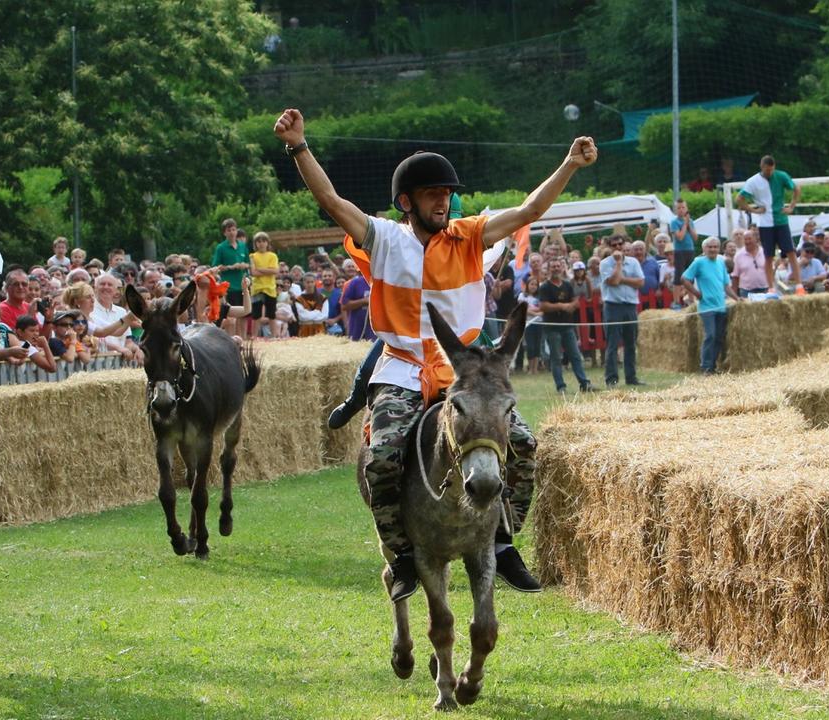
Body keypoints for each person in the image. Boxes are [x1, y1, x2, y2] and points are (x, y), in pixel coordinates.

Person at [275, 107, 598, 600]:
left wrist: (569, 165)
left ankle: (504, 541)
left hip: (464, 370)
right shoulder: (381, 237)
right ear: (406, 201)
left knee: (526, 446)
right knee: (381, 458)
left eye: (447, 193)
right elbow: (329, 199)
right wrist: (298, 145)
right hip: (402, 368)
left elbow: (530, 211)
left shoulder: (470, 235)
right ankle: (403, 556)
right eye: (433, 194)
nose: (443, 201)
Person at [737, 155, 802, 292]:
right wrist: (752, 210)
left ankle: (799, 285)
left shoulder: (781, 176)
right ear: (762, 167)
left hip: (781, 220)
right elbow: (740, 198)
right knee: (768, 255)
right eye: (767, 170)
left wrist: (792, 206)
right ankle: (771, 287)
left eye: (771, 170)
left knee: (790, 252)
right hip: (765, 223)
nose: (770, 173)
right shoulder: (753, 181)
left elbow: (796, 188)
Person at [680, 237, 739, 374]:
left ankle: (713, 366)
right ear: (704, 249)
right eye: (710, 247)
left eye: (715, 247)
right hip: (707, 307)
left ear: (719, 249)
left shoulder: (721, 262)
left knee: (719, 337)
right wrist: (696, 293)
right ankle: (705, 366)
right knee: (710, 335)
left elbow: (726, 286)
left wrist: (737, 298)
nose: (712, 249)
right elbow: (684, 279)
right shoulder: (698, 262)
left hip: (721, 306)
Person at [538, 258, 592, 394]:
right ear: (549, 269)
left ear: (562, 268)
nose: (556, 268)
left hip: (568, 326)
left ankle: (584, 383)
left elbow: (575, 301)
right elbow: (543, 305)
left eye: (558, 266)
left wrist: (571, 306)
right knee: (556, 358)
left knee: (575, 355)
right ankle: (561, 386)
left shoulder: (568, 285)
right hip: (552, 327)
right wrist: (562, 306)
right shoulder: (545, 287)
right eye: (553, 266)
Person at [599, 235, 645, 386]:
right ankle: (611, 378)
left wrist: (623, 279)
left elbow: (640, 282)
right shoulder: (605, 263)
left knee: (630, 343)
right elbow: (612, 281)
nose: (618, 247)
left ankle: (631, 377)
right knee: (612, 344)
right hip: (613, 306)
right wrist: (618, 263)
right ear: (610, 247)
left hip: (630, 306)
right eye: (614, 245)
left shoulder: (633, 262)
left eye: (620, 244)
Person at [211, 218, 250, 311]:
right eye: (229, 230)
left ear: (236, 231)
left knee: (245, 314)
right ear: (224, 233)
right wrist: (230, 267)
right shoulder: (221, 248)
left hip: (243, 286)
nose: (232, 233)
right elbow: (215, 267)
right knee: (232, 314)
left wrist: (244, 265)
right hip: (229, 287)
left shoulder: (242, 246)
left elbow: (249, 263)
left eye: (233, 230)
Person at [248, 231, 279, 338]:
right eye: (259, 241)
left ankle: (274, 336)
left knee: (272, 314)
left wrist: (260, 269)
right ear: (255, 243)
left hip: (270, 289)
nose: (261, 243)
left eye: (263, 241)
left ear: (267, 243)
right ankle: (254, 337)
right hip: (257, 289)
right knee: (256, 315)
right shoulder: (252, 256)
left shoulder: (272, 256)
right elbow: (253, 273)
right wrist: (267, 270)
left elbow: (275, 271)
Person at [668, 199, 697, 309]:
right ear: (675, 210)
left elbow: (695, 238)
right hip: (679, 251)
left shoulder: (691, 221)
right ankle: (676, 301)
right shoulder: (674, 222)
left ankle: (691, 299)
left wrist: (689, 225)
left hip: (690, 250)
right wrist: (685, 224)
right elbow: (679, 237)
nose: (681, 210)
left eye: (683, 207)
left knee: (690, 276)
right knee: (678, 275)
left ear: (687, 209)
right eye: (678, 208)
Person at [731, 228, 770, 297]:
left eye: (749, 239)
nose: (747, 241)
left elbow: (770, 271)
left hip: (765, 289)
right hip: (746, 291)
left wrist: (772, 287)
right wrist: (734, 295)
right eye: (745, 239)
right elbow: (735, 276)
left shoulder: (765, 252)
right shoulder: (738, 255)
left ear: (755, 239)